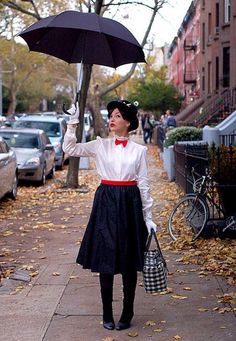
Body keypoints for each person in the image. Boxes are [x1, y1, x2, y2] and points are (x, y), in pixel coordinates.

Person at [62, 100, 157, 331]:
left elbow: (143, 185)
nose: (111, 119)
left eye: (116, 116)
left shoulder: (139, 150)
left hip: (130, 202)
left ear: (128, 121)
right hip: (105, 201)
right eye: (110, 115)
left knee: (128, 261)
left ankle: (127, 311)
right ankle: (106, 313)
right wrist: (72, 123)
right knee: (105, 258)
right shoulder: (99, 145)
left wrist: (148, 217)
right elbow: (70, 149)